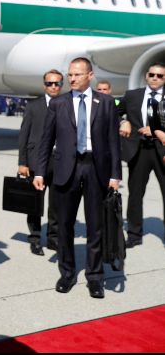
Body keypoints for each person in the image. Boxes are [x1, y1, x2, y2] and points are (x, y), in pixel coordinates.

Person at [34, 57, 121, 299]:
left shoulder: (105, 103)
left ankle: (94, 276)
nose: (71, 78)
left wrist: (115, 175)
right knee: (64, 226)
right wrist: (40, 171)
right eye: (70, 74)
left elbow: (114, 142)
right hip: (66, 170)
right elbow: (46, 140)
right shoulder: (58, 103)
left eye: (77, 74)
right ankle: (67, 273)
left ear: (89, 75)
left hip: (96, 168)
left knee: (96, 226)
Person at [117, 62, 165, 248]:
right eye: (152, 74)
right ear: (146, 75)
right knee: (135, 194)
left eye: (160, 76)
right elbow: (113, 111)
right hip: (138, 151)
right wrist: (123, 121)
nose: (155, 78)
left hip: (162, 150)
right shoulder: (132, 96)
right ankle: (134, 234)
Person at [17, 70, 63, 256]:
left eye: (57, 83)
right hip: (37, 162)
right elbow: (24, 135)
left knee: (57, 204)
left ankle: (54, 238)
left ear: (61, 84)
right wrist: (22, 162)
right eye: (50, 83)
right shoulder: (33, 106)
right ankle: (35, 238)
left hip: (60, 162)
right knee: (35, 203)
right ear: (44, 85)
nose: (53, 86)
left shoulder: (67, 104)